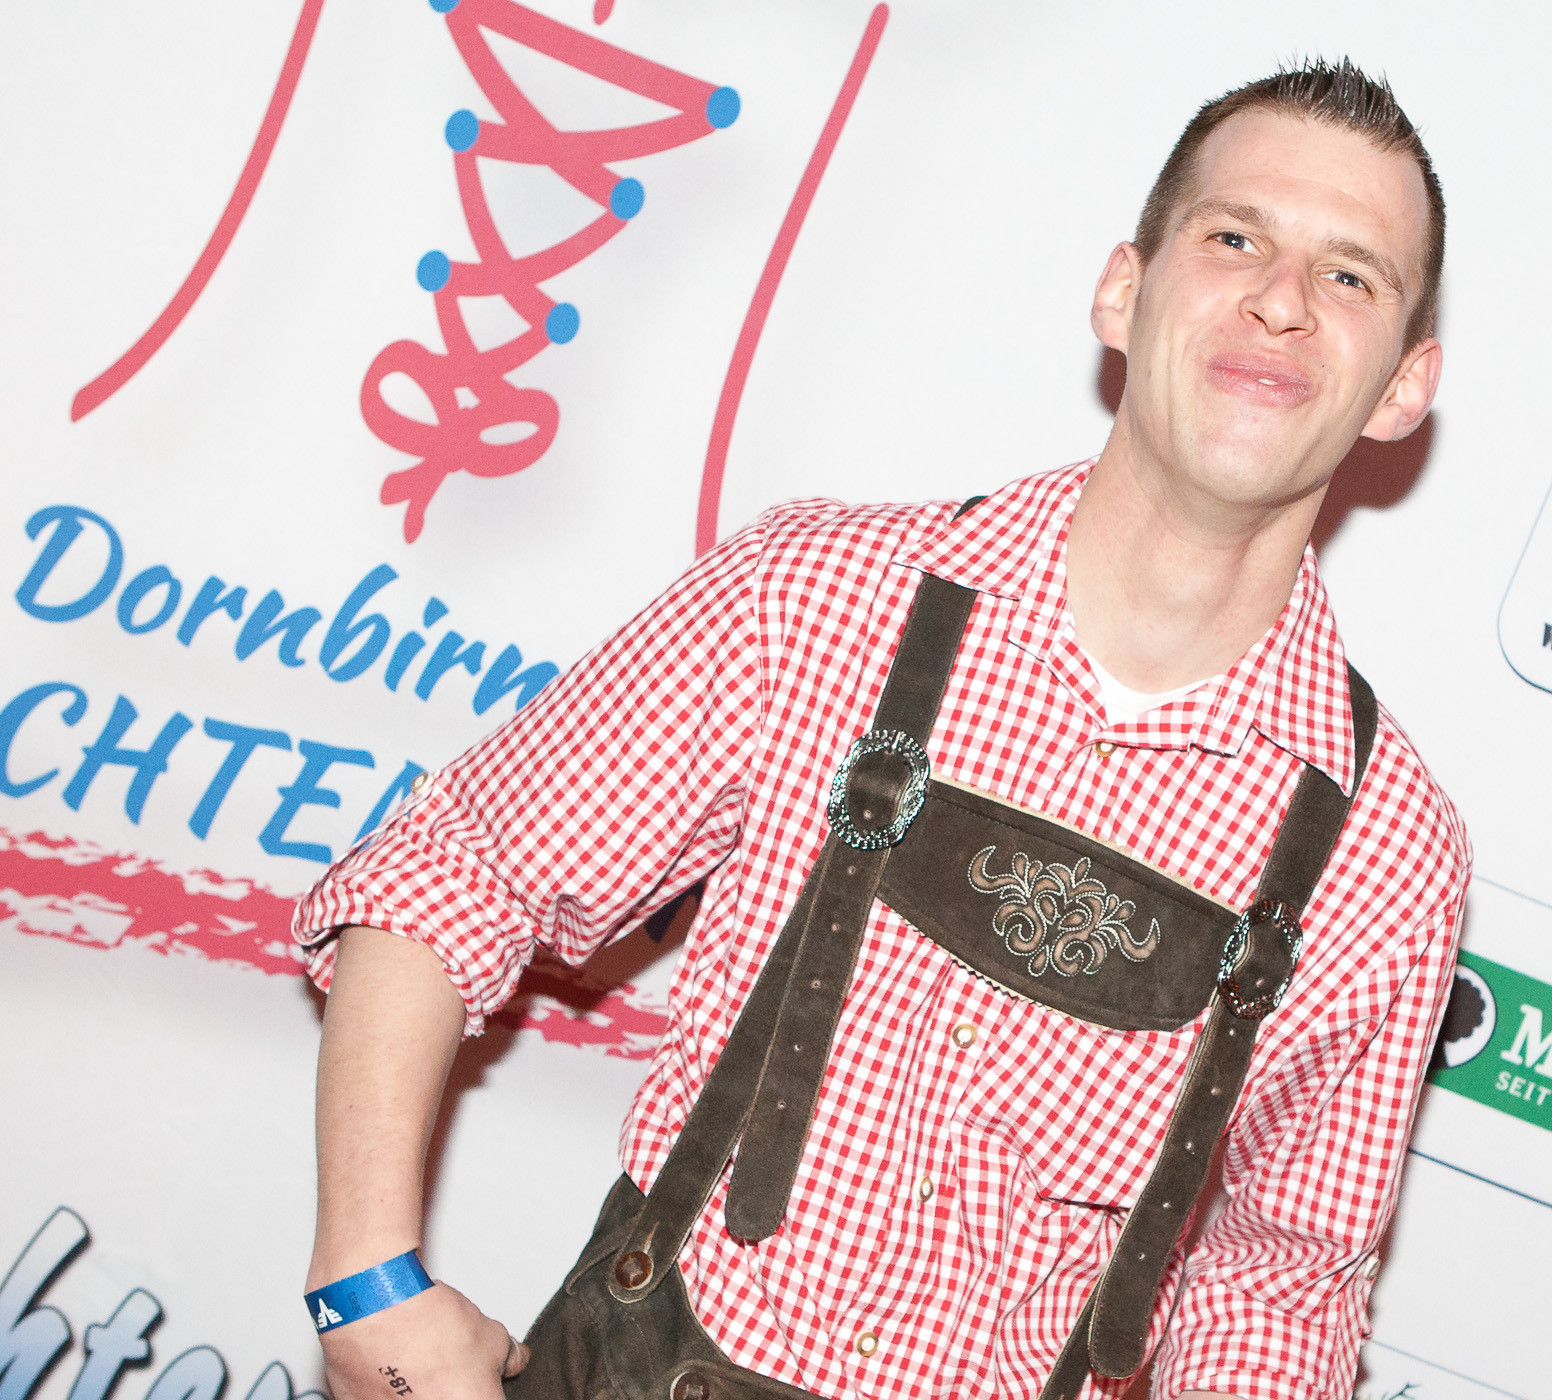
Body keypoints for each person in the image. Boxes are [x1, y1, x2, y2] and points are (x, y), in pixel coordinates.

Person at [294, 57, 1470, 1400]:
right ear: (1122, 291)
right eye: (1235, 238)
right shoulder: (822, 597)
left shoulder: (1387, 851)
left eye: (1350, 275)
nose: (1282, 299)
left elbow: (1275, 1287)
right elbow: (453, 873)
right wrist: (367, 1281)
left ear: (1403, 386)